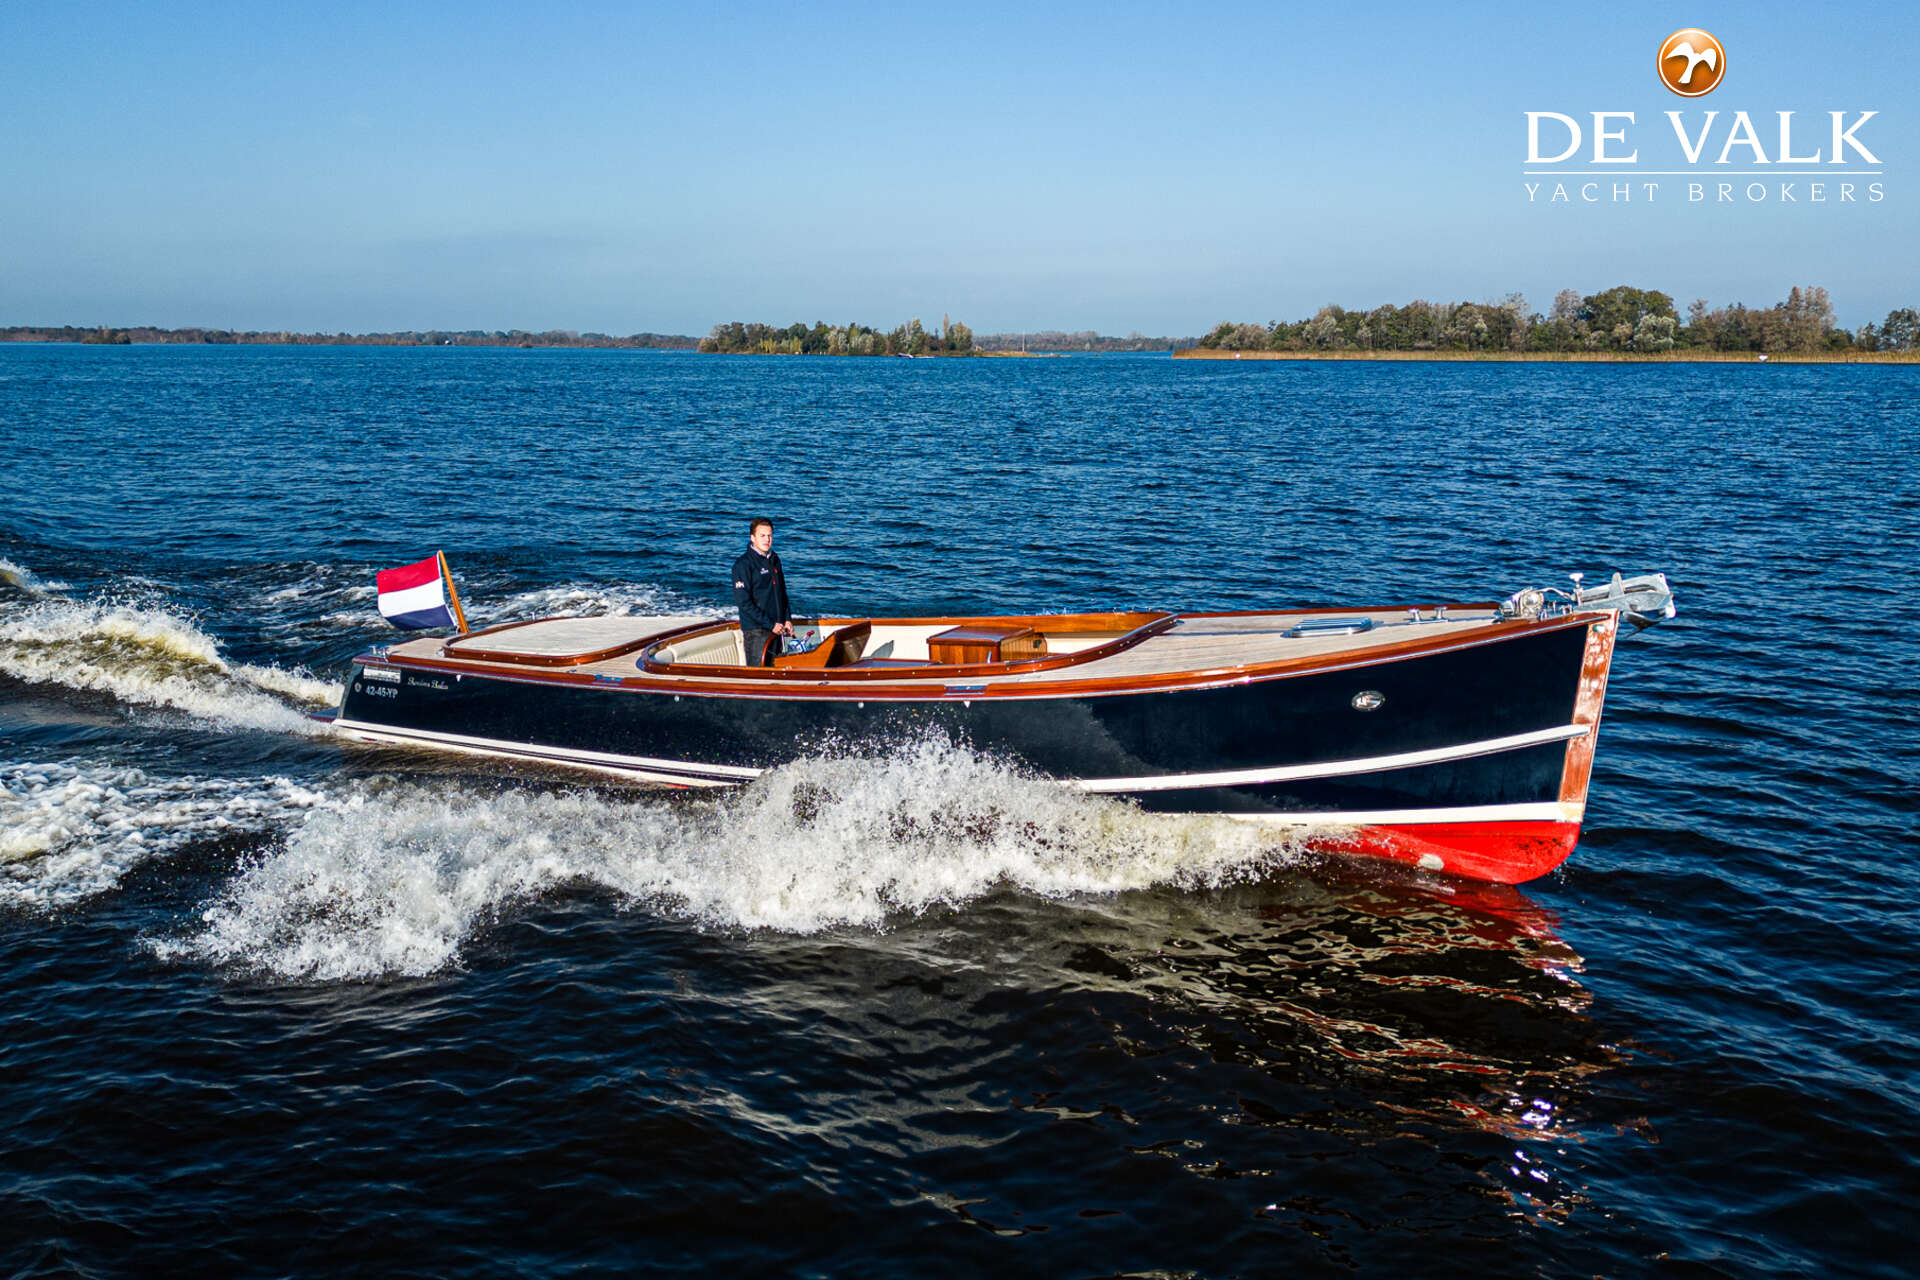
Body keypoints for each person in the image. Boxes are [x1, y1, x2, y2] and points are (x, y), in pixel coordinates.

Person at [731, 517, 792, 666]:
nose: (767, 539)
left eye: (770, 535)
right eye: (762, 535)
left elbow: (782, 592)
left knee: (777, 672)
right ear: (752, 538)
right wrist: (770, 624)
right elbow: (743, 602)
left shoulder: (775, 559)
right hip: (756, 632)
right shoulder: (743, 565)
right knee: (760, 673)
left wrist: (787, 618)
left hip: (777, 629)